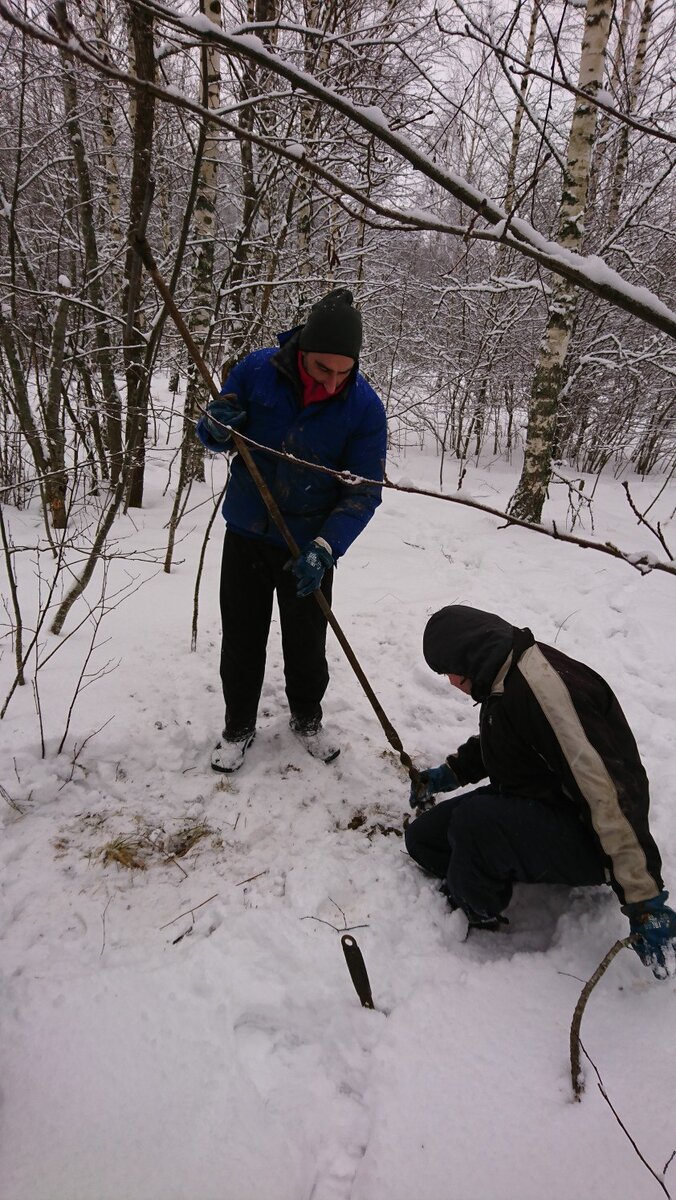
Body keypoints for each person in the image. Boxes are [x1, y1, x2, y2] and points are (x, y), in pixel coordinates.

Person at [405, 604, 676, 979]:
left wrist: (644, 899)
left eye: (450, 670)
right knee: (423, 840)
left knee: (473, 824)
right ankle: (492, 866)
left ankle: (480, 910)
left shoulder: (546, 692)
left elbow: (608, 795)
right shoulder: (504, 674)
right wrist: (448, 774)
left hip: (587, 836)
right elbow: (505, 739)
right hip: (538, 802)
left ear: (469, 654)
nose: (450, 681)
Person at [196, 287, 387, 773]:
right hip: (247, 533)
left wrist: (326, 546)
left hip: (310, 543)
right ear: (302, 350)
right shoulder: (256, 372)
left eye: (344, 373)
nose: (332, 382)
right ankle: (237, 727)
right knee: (242, 639)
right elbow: (216, 432)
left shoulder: (364, 408)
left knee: (307, 642)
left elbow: (363, 491)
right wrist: (215, 430)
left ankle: (307, 719)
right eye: (323, 369)